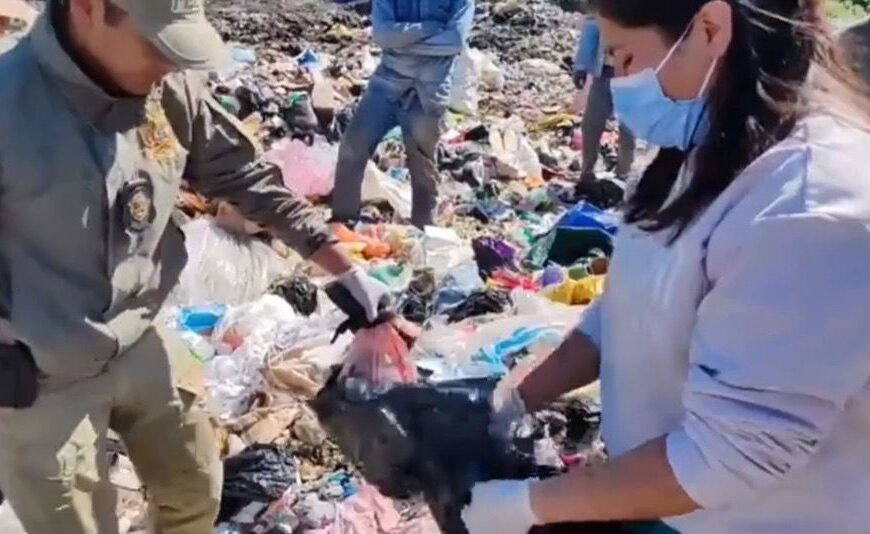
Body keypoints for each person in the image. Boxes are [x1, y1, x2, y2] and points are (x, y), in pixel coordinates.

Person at [462, 1, 870, 533]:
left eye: (624, 57)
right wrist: (513, 397)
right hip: (669, 503)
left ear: (709, 28)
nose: (619, 81)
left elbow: (729, 455)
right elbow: (626, 311)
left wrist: (527, 505)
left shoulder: (809, 205)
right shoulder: (707, 146)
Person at [0, 0, 391, 532]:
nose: (171, 63)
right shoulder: (9, 105)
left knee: (195, 490)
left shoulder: (168, 88)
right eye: (157, 42)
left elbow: (243, 178)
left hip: (141, 335)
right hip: (41, 374)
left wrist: (344, 268)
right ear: (89, 8)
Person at [331, 0, 474, 229]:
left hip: (429, 90)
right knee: (353, 145)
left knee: (422, 164)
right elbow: (383, 36)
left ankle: (423, 230)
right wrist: (429, 28)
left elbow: (455, 41)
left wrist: (403, 41)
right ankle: (343, 222)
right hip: (387, 83)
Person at [573, 7, 635, 182]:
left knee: (629, 127)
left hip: (633, 74)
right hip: (606, 72)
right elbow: (592, 27)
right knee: (591, 124)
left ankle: (623, 174)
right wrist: (581, 66)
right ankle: (587, 172)